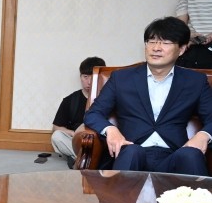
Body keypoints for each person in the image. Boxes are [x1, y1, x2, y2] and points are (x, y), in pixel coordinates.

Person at [83, 16, 212, 176]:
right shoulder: (121, 78)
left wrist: (203, 135)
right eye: (151, 41)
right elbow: (93, 113)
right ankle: (118, 200)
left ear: (182, 49)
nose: (156, 48)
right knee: (131, 152)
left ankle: (202, 201)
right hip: (132, 151)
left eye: (165, 43)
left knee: (191, 154)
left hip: (174, 154)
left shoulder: (195, 82)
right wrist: (110, 130)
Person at [51, 56, 106, 168]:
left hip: (102, 143)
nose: (89, 82)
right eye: (85, 77)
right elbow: (56, 128)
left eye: (93, 77)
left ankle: (82, 160)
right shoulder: (70, 100)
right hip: (78, 142)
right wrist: (74, 133)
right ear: (80, 77)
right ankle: (90, 160)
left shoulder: (109, 98)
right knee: (56, 136)